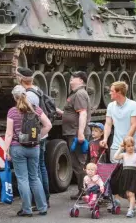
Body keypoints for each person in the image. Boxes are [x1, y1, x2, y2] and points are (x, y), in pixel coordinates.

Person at [3, 85, 52, 217]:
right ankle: (42, 207)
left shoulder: (12, 112)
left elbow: (8, 133)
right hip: (34, 148)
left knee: (23, 179)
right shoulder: (36, 109)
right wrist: (38, 137)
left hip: (17, 147)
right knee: (34, 178)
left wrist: (5, 150)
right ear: (25, 95)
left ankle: (27, 209)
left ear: (14, 97)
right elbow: (48, 125)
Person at [16, 67, 50, 207]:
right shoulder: (37, 89)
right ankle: (45, 198)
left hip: (34, 136)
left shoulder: (27, 96)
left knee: (35, 172)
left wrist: (36, 137)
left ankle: (39, 200)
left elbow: (29, 117)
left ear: (21, 79)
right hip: (40, 134)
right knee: (41, 167)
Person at [56, 71, 91, 200]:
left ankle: (84, 190)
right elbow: (74, 113)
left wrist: (80, 133)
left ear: (81, 81)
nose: (70, 80)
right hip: (73, 132)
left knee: (79, 163)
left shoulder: (80, 94)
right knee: (77, 163)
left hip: (76, 133)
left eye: (73, 78)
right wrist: (62, 113)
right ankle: (83, 189)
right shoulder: (76, 94)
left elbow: (82, 113)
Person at [100, 81, 136, 163]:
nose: (109, 93)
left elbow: (134, 125)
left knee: (131, 172)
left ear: (119, 92)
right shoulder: (110, 106)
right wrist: (105, 139)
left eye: (112, 91)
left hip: (131, 146)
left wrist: (125, 142)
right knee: (116, 173)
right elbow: (108, 124)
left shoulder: (133, 105)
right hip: (116, 146)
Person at [113, 137, 136, 218]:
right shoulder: (124, 155)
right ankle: (133, 206)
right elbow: (115, 157)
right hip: (125, 176)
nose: (130, 147)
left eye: (132, 145)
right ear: (125, 147)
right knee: (128, 194)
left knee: (131, 193)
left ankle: (130, 210)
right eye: (128, 146)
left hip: (134, 175)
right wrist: (120, 149)